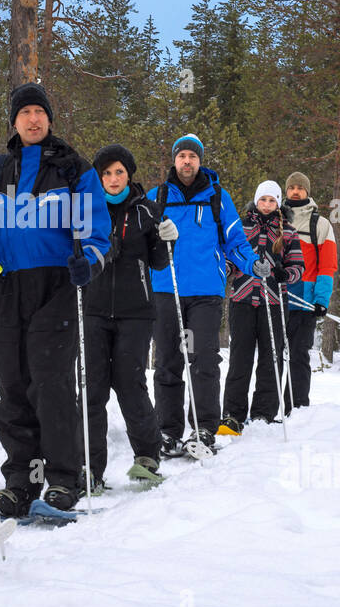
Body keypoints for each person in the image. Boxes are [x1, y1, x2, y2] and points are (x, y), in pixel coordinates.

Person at [0, 83, 112, 516]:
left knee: (51, 383)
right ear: (13, 121)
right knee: (12, 384)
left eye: (40, 112)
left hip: (57, 284)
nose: (33, 119)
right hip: (9, 286)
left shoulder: (74, 169)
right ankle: (21, 481)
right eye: (25, 112)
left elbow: (98, 231)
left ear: (50, 119)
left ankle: (62, 480)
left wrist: (89, 260)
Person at [148, 134, 258, 457]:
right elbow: (142, 239)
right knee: (167, 360)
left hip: (206, 293)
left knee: (204, 359)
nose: (186, 161)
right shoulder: (158, 196)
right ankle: (167, 431)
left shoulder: (218, 198)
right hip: (166, 290)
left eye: (192, 157)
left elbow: (235, 240)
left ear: (200, 161)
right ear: (174, 160)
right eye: (181, 156)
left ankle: (204, 428)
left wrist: (255, 265)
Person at [82, 144, 171, 489]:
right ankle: (89, 467)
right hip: (94, 308)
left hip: (136, 311)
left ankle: (147, 456)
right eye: (106, 173)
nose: (113, 178)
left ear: (129, 175)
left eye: (119, 172)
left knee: (130, 383)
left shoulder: (147, 211)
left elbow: (160, 262)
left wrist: (167, 240)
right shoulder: (88, 211)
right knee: (92, 388)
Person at [221, 181, 304, 430]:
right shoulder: (241, 227)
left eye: (272, 201)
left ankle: (263, 413)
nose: (267, 205)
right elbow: (230, 258)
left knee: (271, 358)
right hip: (243, 299)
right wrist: (225, 270)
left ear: (278, 203)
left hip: (274, 301)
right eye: (263, 200)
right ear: (256, 201)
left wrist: (284, 274)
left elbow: (298, 267)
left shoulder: (287, 231)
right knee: (240, 358)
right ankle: (233, 413)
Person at [283, 171, 337, 408]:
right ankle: (270, 405)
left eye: (300, 188)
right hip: (276, 298)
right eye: (291, 187)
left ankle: (296, 405)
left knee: (298, 355)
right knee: (271, 356)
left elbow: (328, 265)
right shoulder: (275, 218)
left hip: (305, 300)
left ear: (307, 192)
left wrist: (321, 299)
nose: (295, 191)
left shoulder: (321, 224)